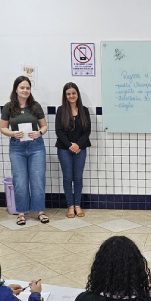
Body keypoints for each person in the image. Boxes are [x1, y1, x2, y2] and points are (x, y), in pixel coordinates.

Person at [0, 76, 49, 226]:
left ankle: (40, 211)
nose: (25, 90)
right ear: (16, 89)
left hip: (36, 147)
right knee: (19, 181)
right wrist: (12, 133)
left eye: (27, 88)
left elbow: (44, 126)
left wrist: (39, 133)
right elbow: (2, 128)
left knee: (38, 180)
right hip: (17, 147)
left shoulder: (35, 106)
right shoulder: (8, 107)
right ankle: (21, 213)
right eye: (22, 88)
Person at [55, 82, 91, 218]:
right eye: (68, 94)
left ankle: (77, 205)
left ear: (77, 94)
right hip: (64, 149)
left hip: (80, 149)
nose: (71, 96)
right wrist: (70, 145)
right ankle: (70, 206)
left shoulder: (84, 110)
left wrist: (78, 145)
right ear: (65, 96)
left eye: (73, 93)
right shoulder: (60, 110)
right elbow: (59, 131)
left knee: (78, 177)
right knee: (67, 177)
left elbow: (87, 130)